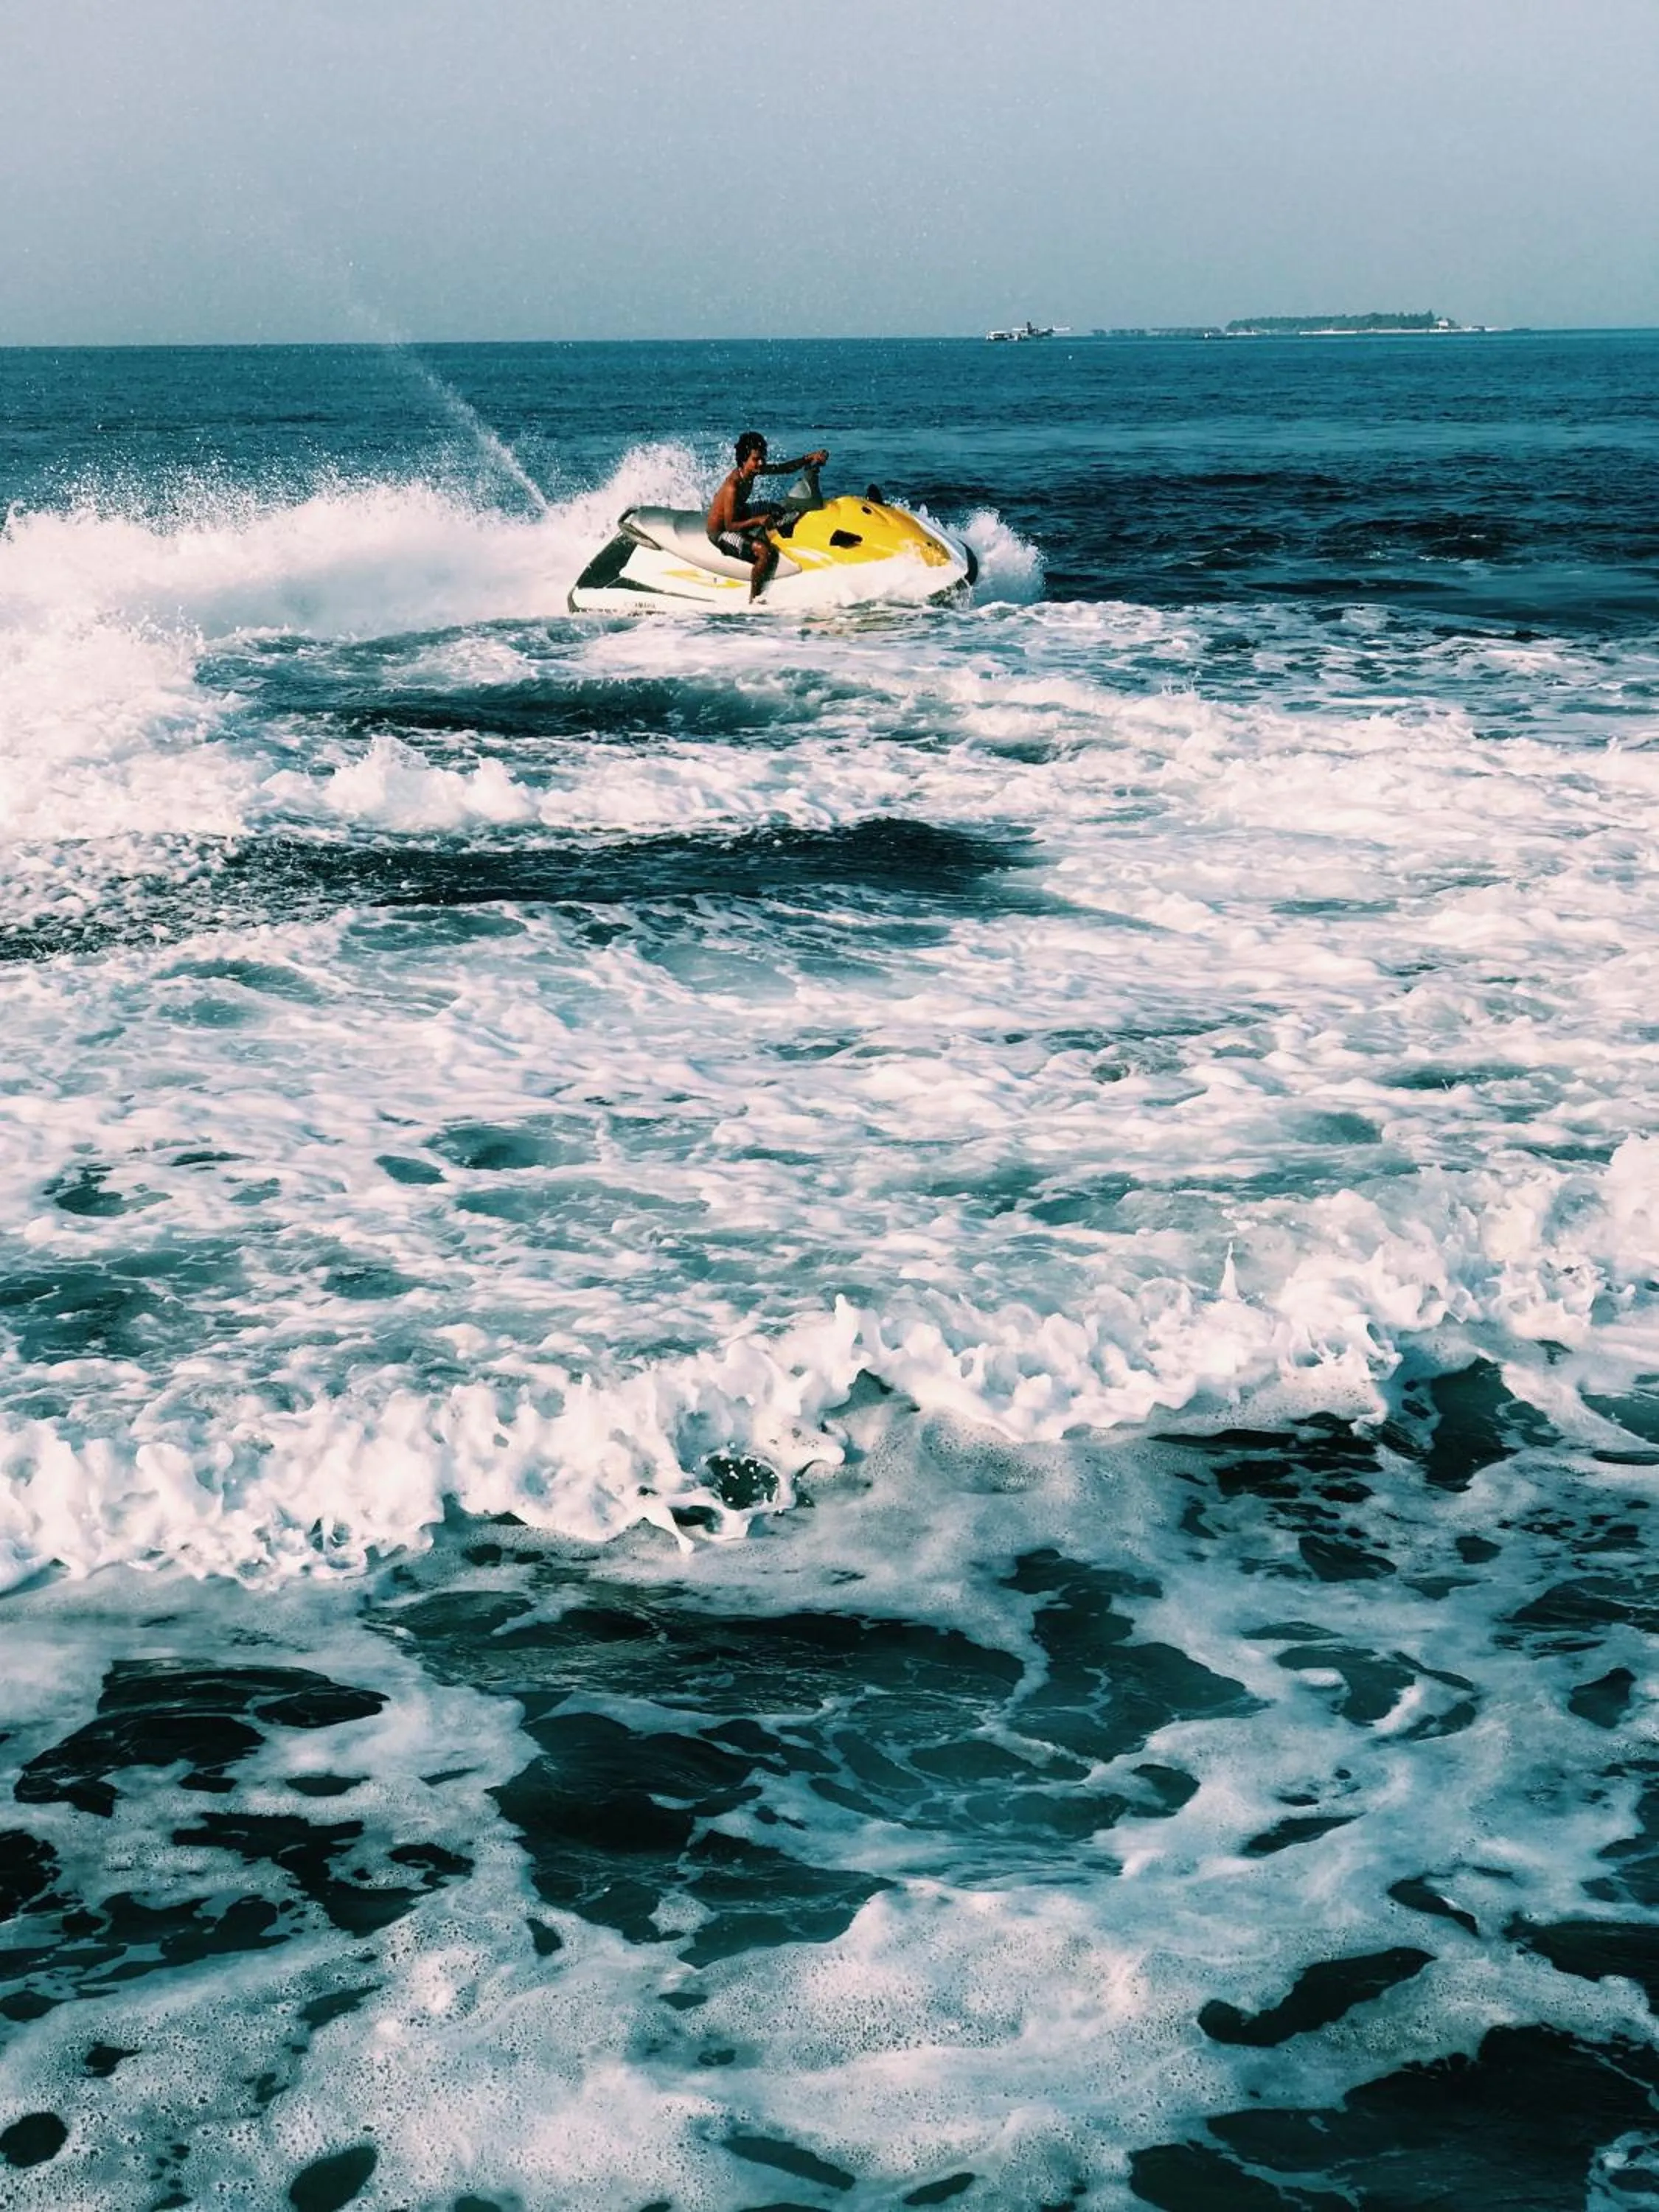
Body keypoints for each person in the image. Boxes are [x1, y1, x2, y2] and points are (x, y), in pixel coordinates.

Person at [706, 431, 830, 600]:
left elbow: (784, 469)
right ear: (744, 460)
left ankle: (785, 537)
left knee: (774, 508)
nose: (761, 462)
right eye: (756, 459)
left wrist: (810, 458)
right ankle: (755, 599)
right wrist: (758, 520)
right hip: (720, 532)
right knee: (765, 553)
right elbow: (730, 526)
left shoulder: (752, 471)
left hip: (741, 513)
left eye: (762, 458)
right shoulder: (732, 487)